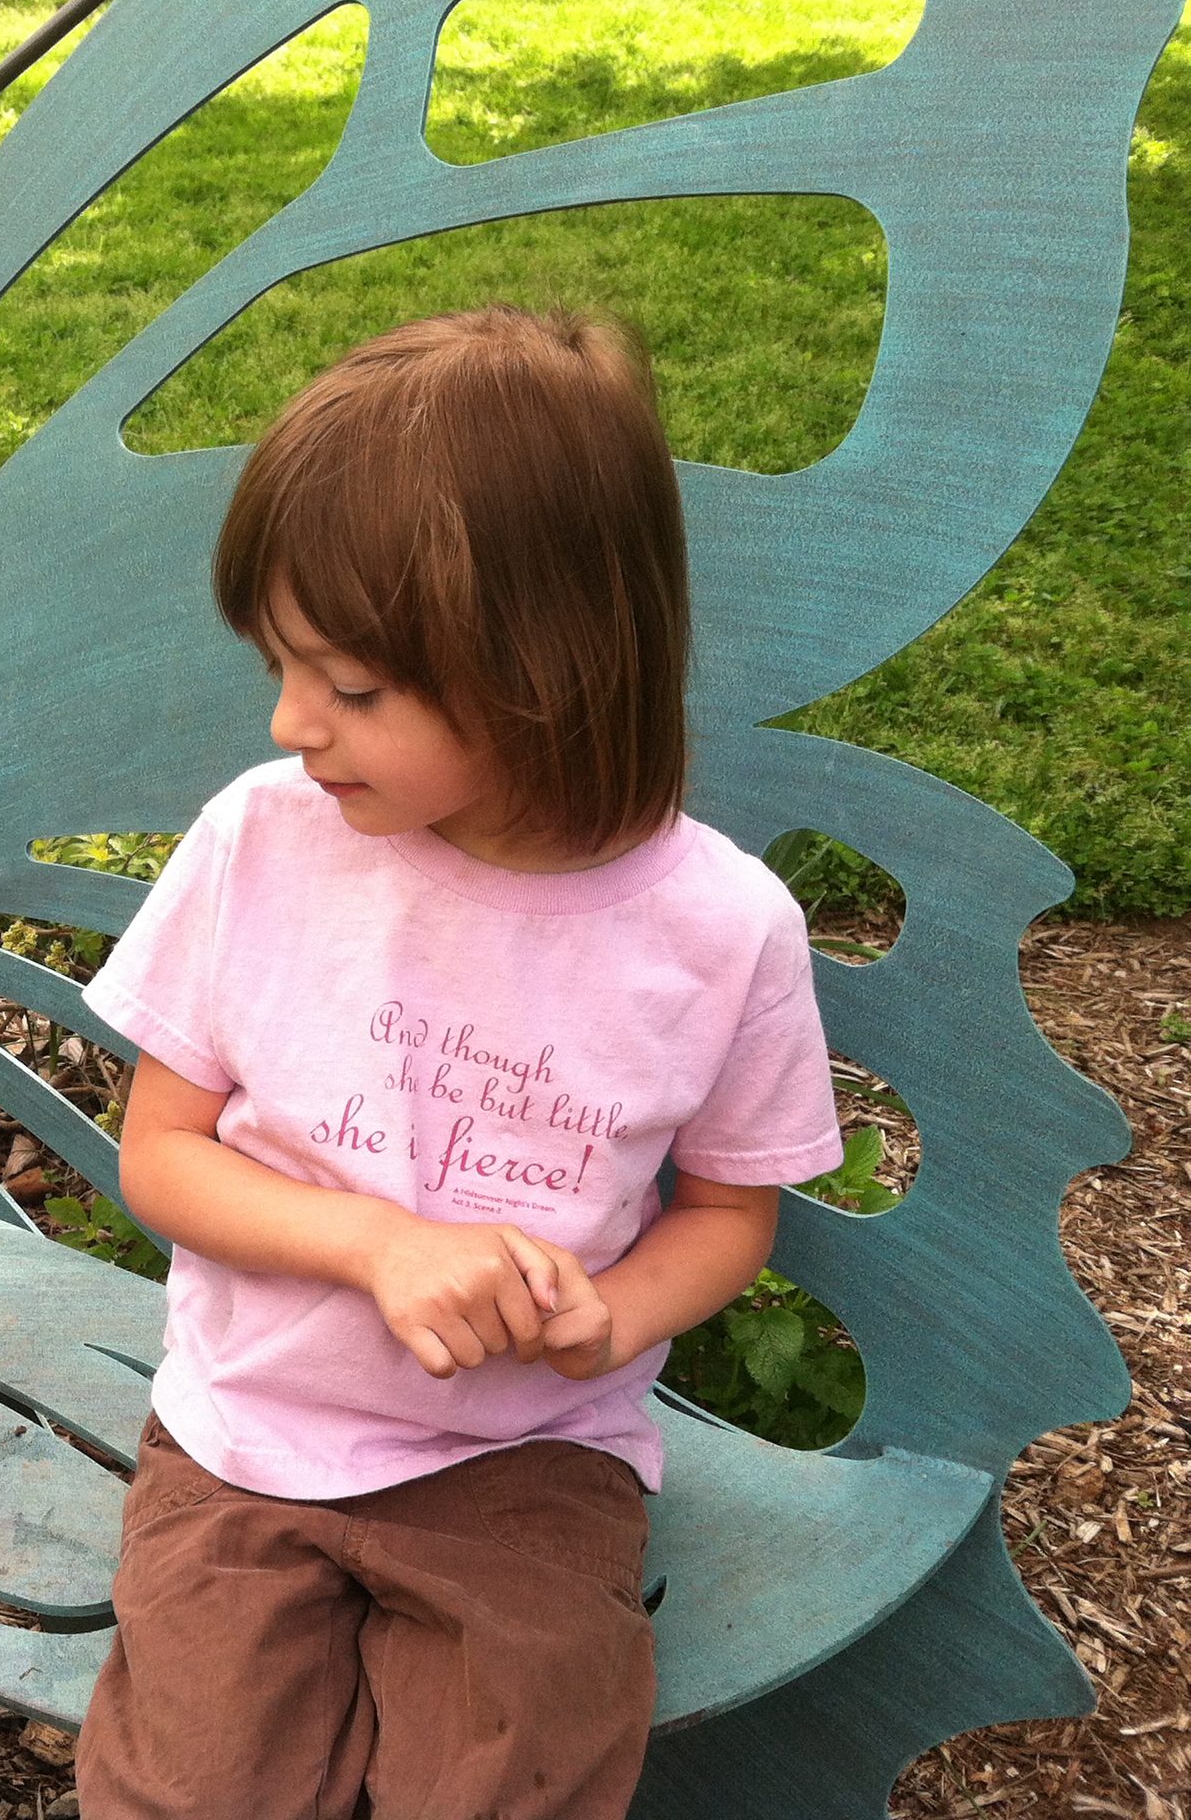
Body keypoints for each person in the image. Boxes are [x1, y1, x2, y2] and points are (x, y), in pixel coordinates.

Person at [71, 306, 843, 1820]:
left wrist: (611, 1315)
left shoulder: (721, 932)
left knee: (521, 1767)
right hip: (251, 1433)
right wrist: (379, 1247)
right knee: (195, 1789)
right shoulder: (265, 842)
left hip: (530, 1459)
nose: (293, 724)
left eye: (352, 689)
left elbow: (732, 1212)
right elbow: (158, 1155)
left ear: (543, 674)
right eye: (285, 668)